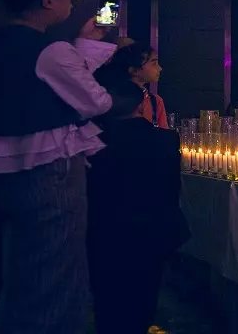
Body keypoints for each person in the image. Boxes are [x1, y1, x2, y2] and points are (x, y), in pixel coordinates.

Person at [0, 0, 131, 334]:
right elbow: (94, 100)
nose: (72, 3)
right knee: (54, 272)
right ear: (48, 1)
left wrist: (87, 43)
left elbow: (49, 79)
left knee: (20, 267)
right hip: (49, 170)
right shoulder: (49, 50)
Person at [89, 43, 188, 334]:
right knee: (144, 288)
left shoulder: (91, 141)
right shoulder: (164, 140)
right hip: (151, 224)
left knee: (107, 291)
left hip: (104, 224)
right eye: (153, 61)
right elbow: (171, 186)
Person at [95, 42, 167, 128]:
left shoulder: (155, 101)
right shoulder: (112, 100)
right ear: (134, 70)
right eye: (154, 63)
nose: (160, 68)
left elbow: (163, 132)